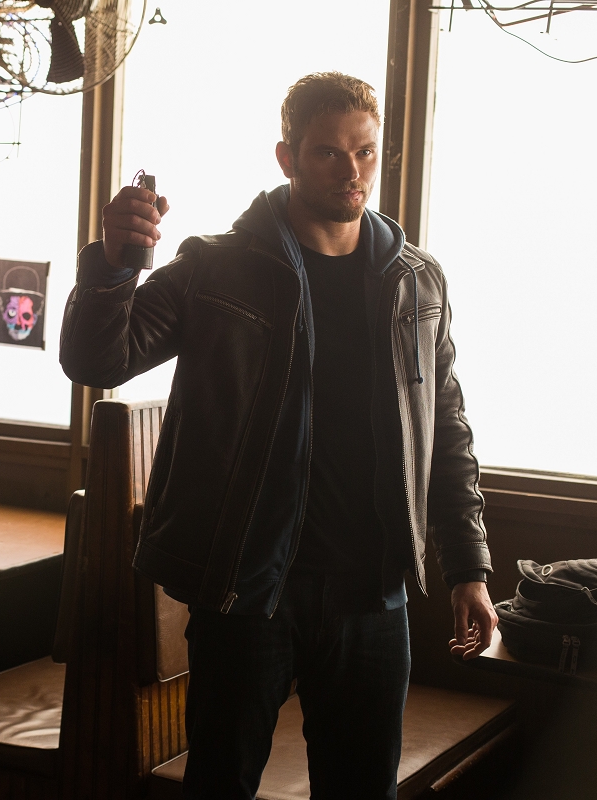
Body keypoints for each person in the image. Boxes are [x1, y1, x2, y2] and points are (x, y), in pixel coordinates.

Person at [59, 73, 497, 800]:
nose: (351, 170)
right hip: (248, 590)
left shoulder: (417, 282)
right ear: (286, 157)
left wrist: (469, 568)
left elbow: (445, 432)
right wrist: (112, 265)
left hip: (373, 594)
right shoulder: (217, 267)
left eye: (364, 151)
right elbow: (97, 360)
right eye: (328, 152)